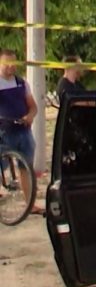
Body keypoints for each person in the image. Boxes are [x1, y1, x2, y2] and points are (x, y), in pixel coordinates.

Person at [0, 50, 43, 215]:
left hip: (23, 131)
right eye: (7, 63)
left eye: (14, 63)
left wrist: (30, 116)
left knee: (26, 167)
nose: (11, 67)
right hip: (4, 131)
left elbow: (33, 106)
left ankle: (30, 204)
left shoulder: (21, 82)